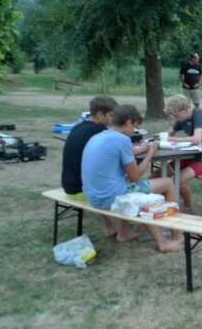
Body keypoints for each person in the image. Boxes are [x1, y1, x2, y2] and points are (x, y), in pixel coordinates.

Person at [82, 104, 184, 253]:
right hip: (111, 197)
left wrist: (140, 150)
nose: (134, 131)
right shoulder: (122, 140)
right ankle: (172, 238)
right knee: (167, 183)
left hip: (93, 196)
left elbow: (117, 155)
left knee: (127, 183)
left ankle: (124, 232)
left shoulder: (99, 136)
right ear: (129, 122)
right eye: (135, 126)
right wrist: (150, 153)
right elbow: (136, 176)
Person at [61, 96, 136, 240]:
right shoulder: (99, 130)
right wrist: (141, 149)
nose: (112, 120)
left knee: (102, 178)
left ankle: (108, 227)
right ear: (100, 114)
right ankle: (123, 231)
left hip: (68, 185)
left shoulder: (79, 126)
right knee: (118, 182)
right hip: (82, 189)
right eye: (111, 116)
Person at [159, 94, 202, 213]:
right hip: (189, 155)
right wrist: (159, 137)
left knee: (177, 179)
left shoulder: (199, 115)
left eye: (176, 115)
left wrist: (174, 140)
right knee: (158, 175)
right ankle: (159, 204)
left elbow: (197, 139)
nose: (175, 118)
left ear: (185, 110)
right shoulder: (182, 118)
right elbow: (168, 133)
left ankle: (188, 207)